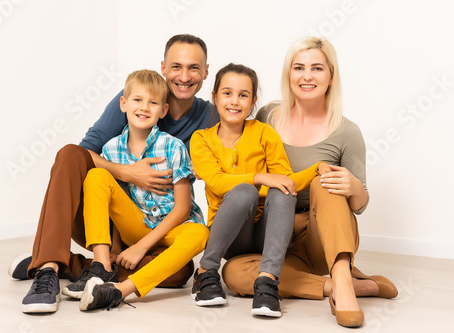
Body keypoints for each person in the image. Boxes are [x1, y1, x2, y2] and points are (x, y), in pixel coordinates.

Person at [17, 34, 218, 314]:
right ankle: (49, 267)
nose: (184, 76)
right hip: (112, 217)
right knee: (71, 155)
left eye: (194, 67)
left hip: (165, 225)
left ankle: (78, 267)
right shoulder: (129, 104)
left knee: (178, 273)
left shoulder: (213, 117)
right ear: (163, 67)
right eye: (176, 66)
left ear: (206, 71)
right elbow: (83, 155)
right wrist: (128, 173)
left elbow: (226, 167)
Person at [221, 37, 398, 328]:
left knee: (323, 179)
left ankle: (341, 278)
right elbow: (227, 118)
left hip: (320, 238)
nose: (306, 76)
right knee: (233, 274)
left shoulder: (347, 131)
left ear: (331, 76)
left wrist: (353, 185)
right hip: (274, 235)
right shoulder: (267, 116)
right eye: (298, 67)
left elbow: (361, 205)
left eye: (317, 68)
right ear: (288, 74)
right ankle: (352, 287)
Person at [60, 69, 208, 311]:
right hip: (135, 225)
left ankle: (119, 291)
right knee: (97, 174)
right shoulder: (110, 149)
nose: (144, 108)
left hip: (172, 228)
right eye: (138, 100)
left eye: (153, 103)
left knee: (201, 233)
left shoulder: (174, 147)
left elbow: (182, 209)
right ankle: (101, 267)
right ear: (124, 103)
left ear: (163, 111)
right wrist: (116, 249)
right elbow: (116, 204)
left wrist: (141, 248)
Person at [189, 63, 330, 318]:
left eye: (243, 95)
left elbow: (287, 180)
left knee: (283, 190)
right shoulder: (201, 139)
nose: (235, 101)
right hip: (230, 235)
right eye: (227, 93)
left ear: (253, 101)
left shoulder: (264, 133)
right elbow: (218, 183)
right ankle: (205, 272)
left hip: (266, 234)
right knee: (244, 191)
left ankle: (267, 283)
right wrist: (260, 177)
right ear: (215, 97)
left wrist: (317, 168)